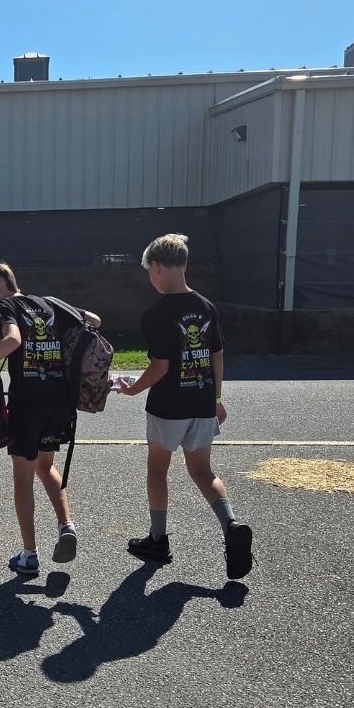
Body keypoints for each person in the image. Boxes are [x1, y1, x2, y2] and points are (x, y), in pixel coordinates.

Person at [0, 260, 100, 578]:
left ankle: (30, 555)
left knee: (23, 480)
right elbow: (94, 320)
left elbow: (13, 340)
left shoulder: (8, 306)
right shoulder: (51, 303)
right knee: (46, 466)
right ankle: (65, 525)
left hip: (28, 404)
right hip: (60, 402)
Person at [115, 233, 253, 580]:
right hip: (203, 401)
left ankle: (158, 539)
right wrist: (217, 398)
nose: (151, 278)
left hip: (168, 405)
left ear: (158, 267)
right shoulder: (207, 306)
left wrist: (133, 390)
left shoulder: (157, 313)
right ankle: (231, 525)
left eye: (150, 271)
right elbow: (216, 354)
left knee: (158, 469)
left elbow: (160, 366)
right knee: (203, 471)